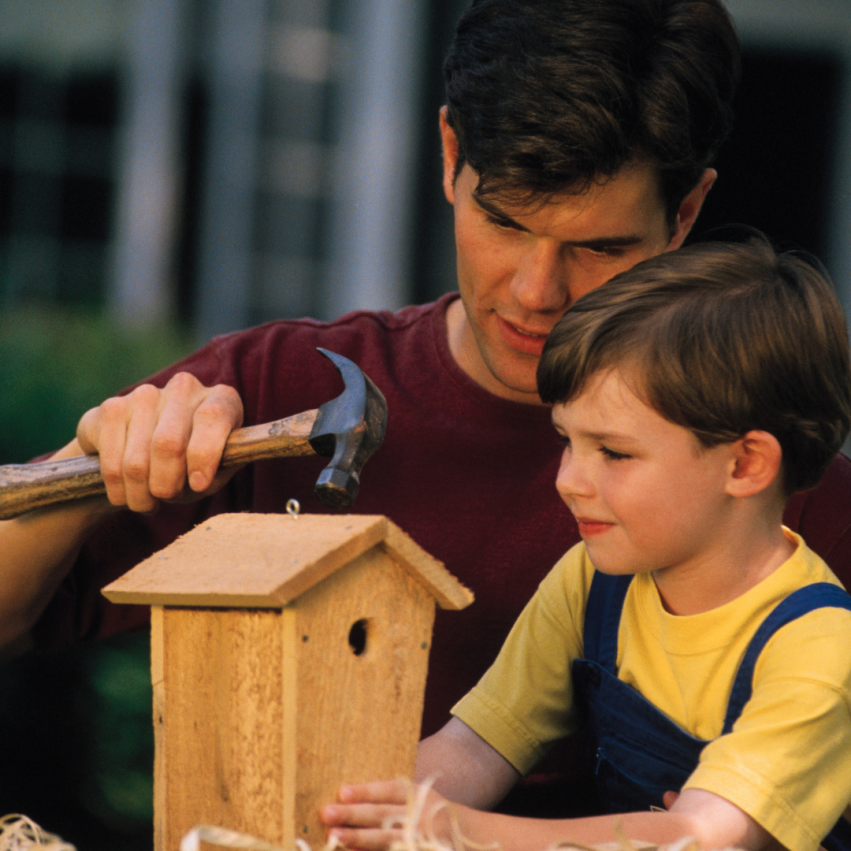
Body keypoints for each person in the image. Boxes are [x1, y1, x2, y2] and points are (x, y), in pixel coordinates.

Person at [1, 0, 850, 777]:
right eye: (505, 222)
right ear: (450, 156)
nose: (533, 290)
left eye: (599, 247)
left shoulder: (766, 476)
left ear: (687, 211)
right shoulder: (272, 396)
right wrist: (82, 471)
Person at [319, 237, 851, 851]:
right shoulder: (591, 582)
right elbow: (476, 746)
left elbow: (697, 837)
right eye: (566, 441)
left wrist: (448, 830)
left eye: (614, 452)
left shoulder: (817, 646)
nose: (568, 480)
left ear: (744, 464)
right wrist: (345, 814)